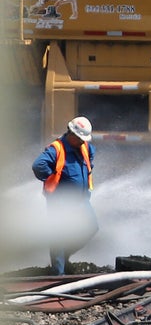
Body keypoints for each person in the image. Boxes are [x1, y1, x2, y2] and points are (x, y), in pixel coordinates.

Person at [32, 116, 98, 275]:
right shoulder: (57, 149)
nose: (83, 142)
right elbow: (38, 165)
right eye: (81, 138)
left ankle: (65, 256)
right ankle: (57, 276)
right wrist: (54, 177)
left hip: (81, 200)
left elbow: (90, 160)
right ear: (72, 135)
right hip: (60, 202)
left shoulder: (86, 148)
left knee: (91, 228)